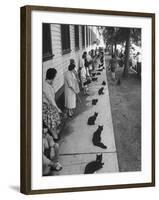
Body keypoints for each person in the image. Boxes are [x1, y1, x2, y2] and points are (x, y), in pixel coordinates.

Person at [43, 68, 62, 140]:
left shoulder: (49, 84)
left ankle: (55, 134)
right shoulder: (45, 86)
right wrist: (57, 108)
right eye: (55, 75)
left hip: (52, 106)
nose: (55, 77)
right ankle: (55, 137)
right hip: (48, 108)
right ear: (52, 76)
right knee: (51, 123)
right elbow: (50, 99)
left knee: (55, 122)